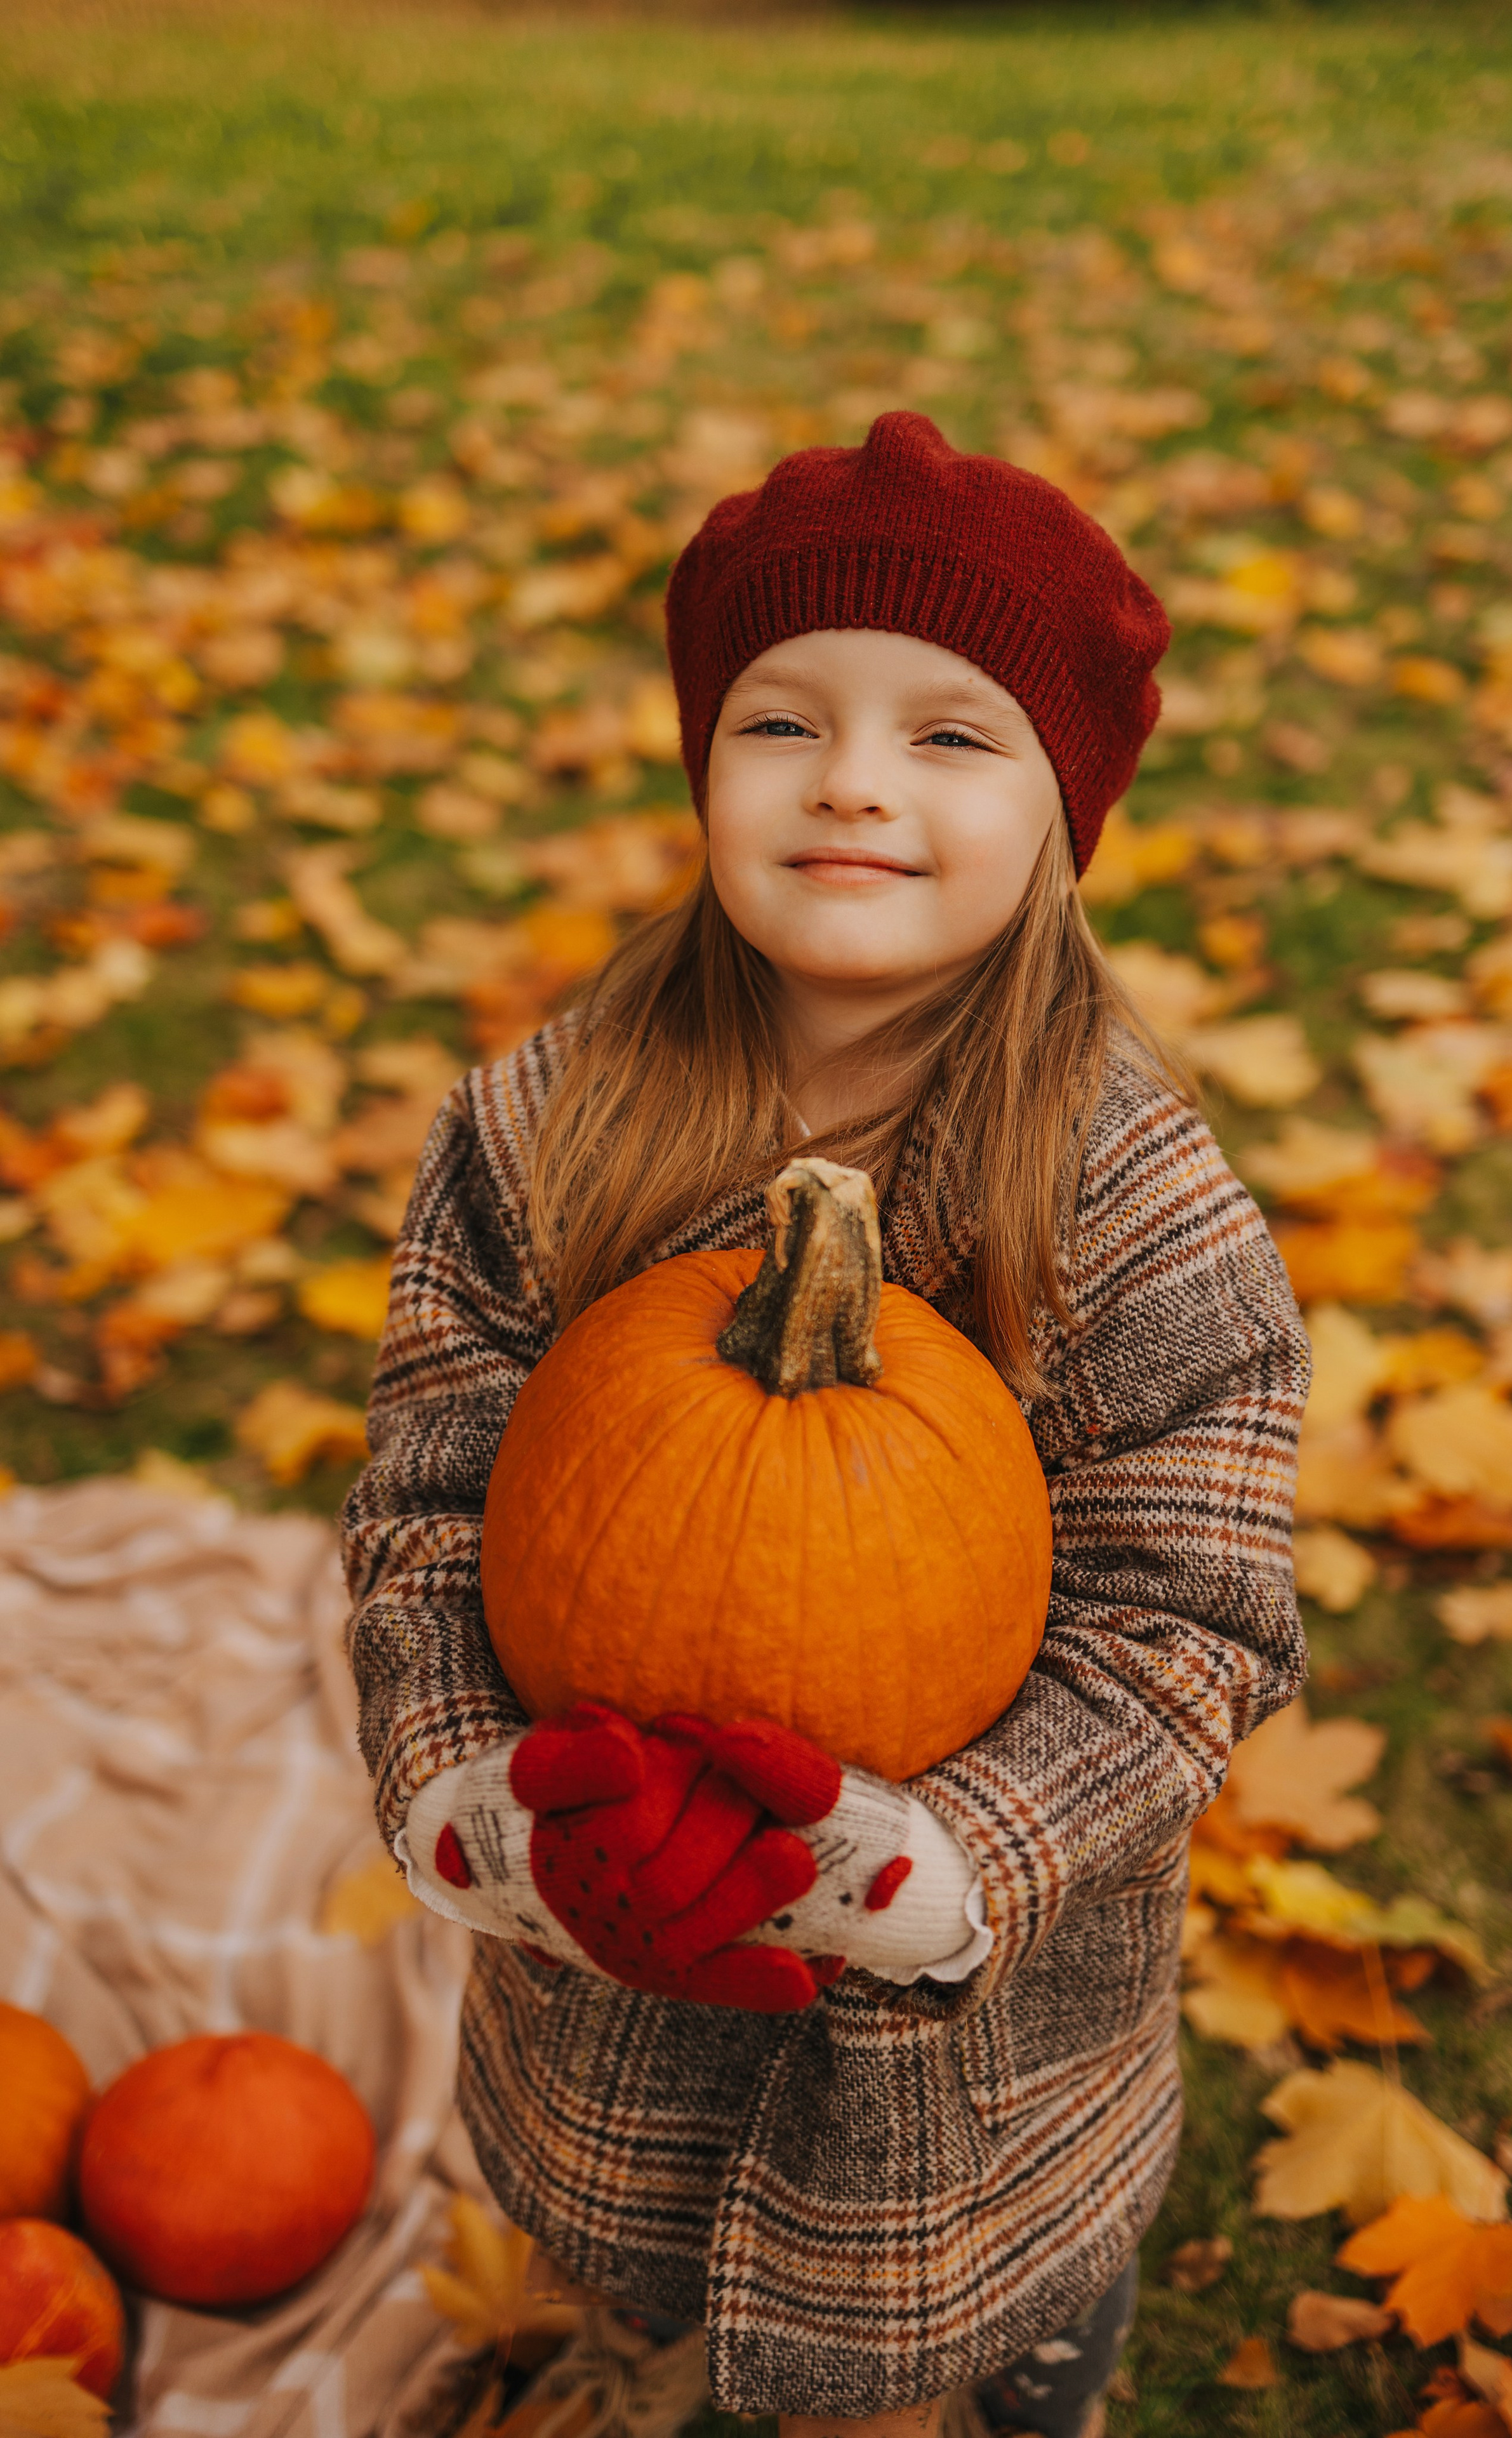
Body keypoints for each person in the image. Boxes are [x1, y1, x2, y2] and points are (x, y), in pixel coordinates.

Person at [342, 412, 1309, 2438]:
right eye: (785, 720)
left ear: (1065, 806)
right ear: (706, 760)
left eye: (949, 738)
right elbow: (432, 1511)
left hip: (974, 2096)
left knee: (977, 2358)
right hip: (612, 2000)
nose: (855, 782)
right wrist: (484, 1808)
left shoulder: (1128, 1199)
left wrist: (932, 1863)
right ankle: (648, 2349)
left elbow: (1192, 1621)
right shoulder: (544, 1128)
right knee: (653, 2303)